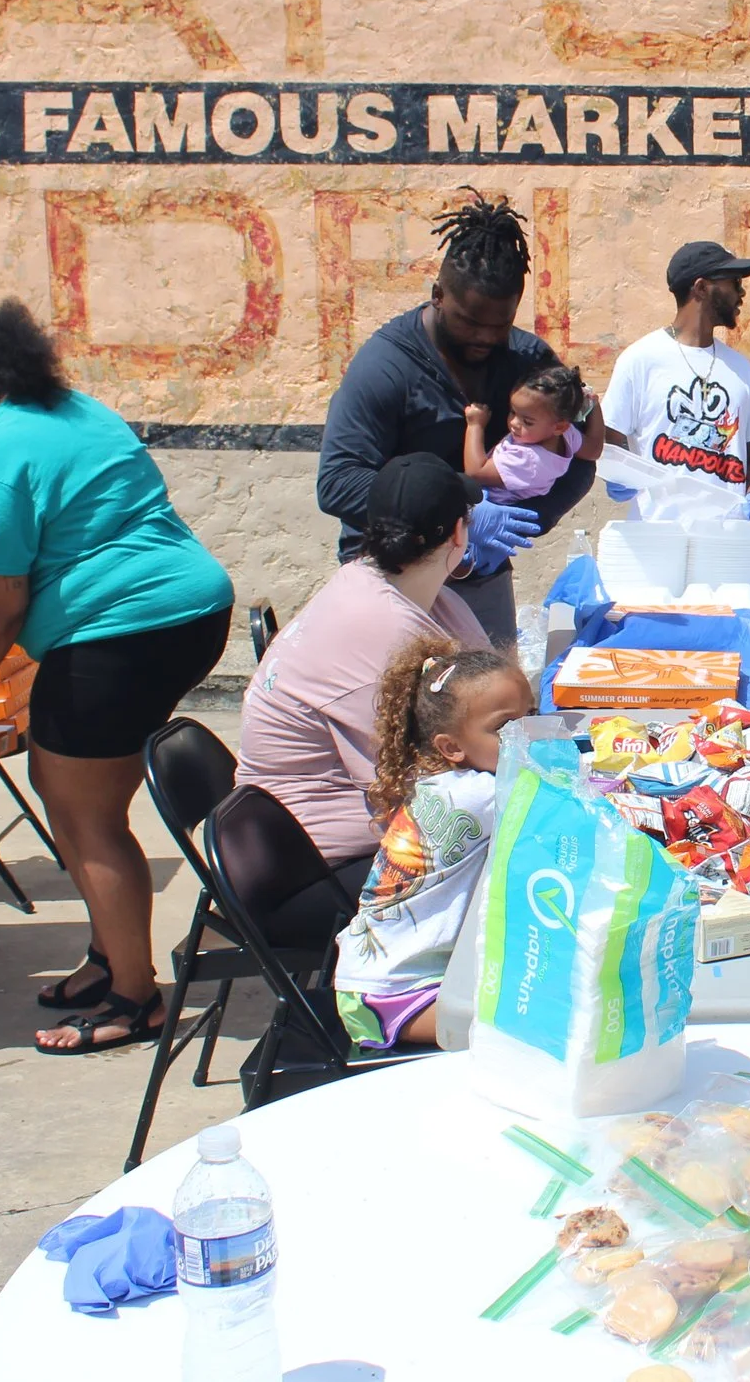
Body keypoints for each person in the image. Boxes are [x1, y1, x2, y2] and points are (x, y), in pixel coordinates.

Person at [0, 300, 234, 1056]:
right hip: (191, 609)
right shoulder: (76, 409)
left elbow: (3, 604)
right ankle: (111, 955)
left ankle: (134, 998)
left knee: (88, 817)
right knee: (55, 780)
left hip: (121, 633)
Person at [316, 193, 592, 641]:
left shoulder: (527, 360)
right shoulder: (387, 367)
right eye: (469, 322)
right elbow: (337, 483)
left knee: (493, 703)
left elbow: (579, 460)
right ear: (438, 295)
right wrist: (460, 516)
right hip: (391, 577)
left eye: (499, 325)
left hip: (479, 575)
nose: (484, 338)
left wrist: (517, 526)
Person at [240, 454, 491, 871]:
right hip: (309, 866)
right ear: (459, 534)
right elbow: (442, 767)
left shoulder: (409, 593)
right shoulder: (383, 627)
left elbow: (488, 691)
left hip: (300, 838)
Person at [333, 637, 532, 1052]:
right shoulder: (481, 796)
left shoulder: (450, 783)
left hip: (372, 973)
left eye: (532, 716)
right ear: (451, 747)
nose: (528, 737)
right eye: (505, 728)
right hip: (395, 995)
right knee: (537, 1027)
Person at [601, 240, 750, 529]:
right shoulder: (640, 359)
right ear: (701, 288)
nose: (741, 292)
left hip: (725, 543)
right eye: (733, 282)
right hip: (657, 540)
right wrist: (619, 474)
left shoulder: (741, 370)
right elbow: (610, 438)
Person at [465, 363, 606, 502]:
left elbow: (475, 473)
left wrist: (475, 425)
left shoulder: (529, 459)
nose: (514, 423)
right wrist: (593, 405)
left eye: (527, 422)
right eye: (513, 412)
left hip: (483, 504)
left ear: (559, 427)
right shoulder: (565, 435)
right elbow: (593, 450)